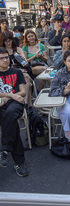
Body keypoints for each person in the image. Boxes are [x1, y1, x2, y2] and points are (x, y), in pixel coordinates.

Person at [0, 47, 29, 177]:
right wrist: (10, 96)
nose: (5, 60)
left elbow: (23, 91)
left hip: (16, 103)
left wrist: (11, 98)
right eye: (1, 58)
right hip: (5, 102)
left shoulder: (17, 72)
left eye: (6, 57)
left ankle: (5, 150)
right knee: (10, 122)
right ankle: (19, 162)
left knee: (10, 115)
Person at [0, 32, 33, 107]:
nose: (8, 43)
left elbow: (25, 63)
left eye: (10, 40)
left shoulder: (17, 49)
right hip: (7, 72)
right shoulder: (2, 52)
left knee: (26, 80)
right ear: (3, 42)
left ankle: (26, 104)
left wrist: (22, 59)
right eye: (6, 41)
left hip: (21, 71)